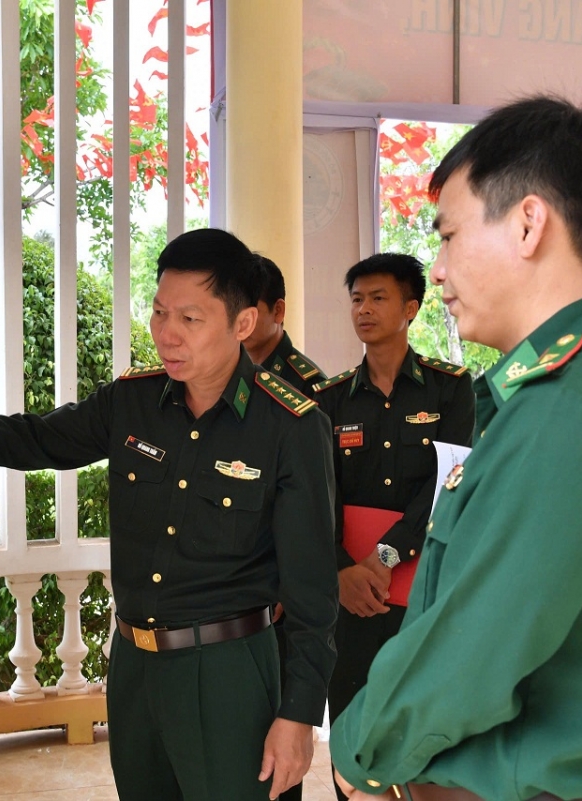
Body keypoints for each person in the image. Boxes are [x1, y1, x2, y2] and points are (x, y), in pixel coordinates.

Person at [0, 228, 339, 801]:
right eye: (159, 313)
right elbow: (36, 441)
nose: (167, 334)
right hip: (135, 670)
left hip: (229, 673)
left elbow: (312, 593)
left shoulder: (291, 427)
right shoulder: (132, 402)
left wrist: (299, 715)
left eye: (191, 319)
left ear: (243, 323)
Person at [330, 96, 582, 800]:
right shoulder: (574, 391)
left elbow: (474, 645)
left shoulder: (573, 411)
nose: (436, 270)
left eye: (450, 235)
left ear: (528, 224)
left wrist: (360, 748)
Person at [312, 253, 474, 801]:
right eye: (357, 298)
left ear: (411, 307)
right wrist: (341, 571)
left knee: (421, 726)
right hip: (350, 595)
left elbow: (448, 483)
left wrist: (382, 558)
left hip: (419, 583)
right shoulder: (329, 399)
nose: (364, 309)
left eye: (378, 298)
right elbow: (315, 497)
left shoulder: (449, 390)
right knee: (353, 722)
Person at [242, 254, 329, 801]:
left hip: (280, 598)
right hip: (232, 594)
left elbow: (319, 505)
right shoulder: (213, 375)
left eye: (250, 307)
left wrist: (281, 585)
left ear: (276, 311)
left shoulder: (308, 388)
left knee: (275, 746)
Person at [244, 255, 327, 396]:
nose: (240, 323)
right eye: (233, 312)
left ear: (278, 311)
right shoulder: (225, 372)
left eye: (251, 313)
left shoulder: (309, 385)